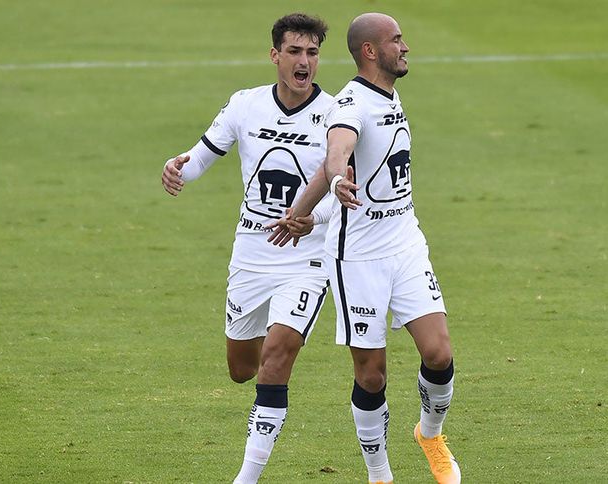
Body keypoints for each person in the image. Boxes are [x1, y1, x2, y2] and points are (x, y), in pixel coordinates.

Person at [269, 12, 460, 484]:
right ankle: (380, 475)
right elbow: (336, 152)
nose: (405, 47)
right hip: (357, 259)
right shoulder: (351, 104)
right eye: (397, 40)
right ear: (371, 51)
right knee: (372, 375)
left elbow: (337, 167)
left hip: (406, 244)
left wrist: (302, 211)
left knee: (438, 353)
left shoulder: (390, 94)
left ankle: (430, 435)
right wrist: (337, 180)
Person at [160, 13, 334, 483]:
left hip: (306, 258)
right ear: (275, 55)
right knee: (242, 369)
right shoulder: (245, 105)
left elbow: (345, 192)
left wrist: (312, 219)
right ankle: (270, 375)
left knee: (278, 355)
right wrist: (177, 167)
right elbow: (199, 158)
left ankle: (246, 477)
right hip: (252, 256)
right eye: (294, 51)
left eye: (312, 52)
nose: (304, 61)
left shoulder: (336, 117)